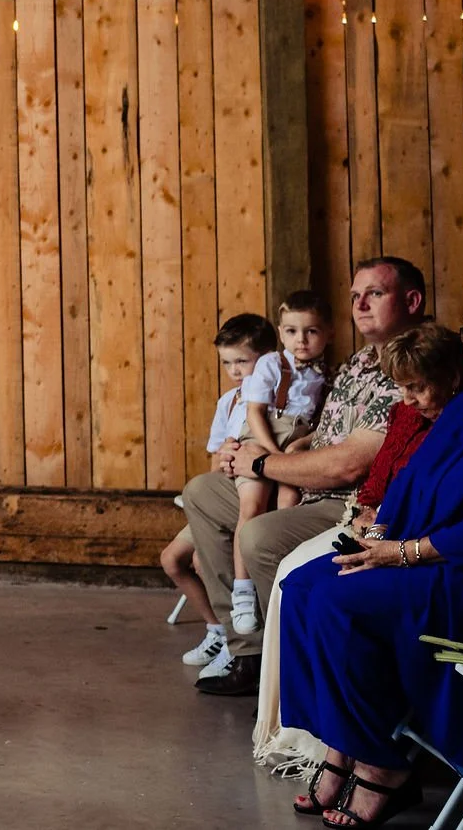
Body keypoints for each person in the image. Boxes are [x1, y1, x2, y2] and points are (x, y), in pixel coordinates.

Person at [279, 285, 463, 828]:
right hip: (418, 553)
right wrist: (369, 535)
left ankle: (383, 765)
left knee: (343, 603)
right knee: (301, 584)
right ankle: (339, 744)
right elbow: (409, 483)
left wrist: (402, 554)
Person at [185, 257, 428, 697]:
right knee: (203, 490)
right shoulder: (357, 363)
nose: (361, 304)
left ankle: (290, 671)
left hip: (352, 501)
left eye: (375, 293)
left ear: (411, 301)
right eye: (355, 296)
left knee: (257, 535)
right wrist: (270, 446)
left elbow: (350, 465)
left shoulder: (413, 363)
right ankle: (247, 650)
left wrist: (260, 463)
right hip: (305, 479)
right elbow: (328, 429)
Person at [259, 320, 463, 779]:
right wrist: (368, 517)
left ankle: (371, 756)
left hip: (419, 546)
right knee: (298, 586)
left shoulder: (462, 420)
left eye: (418, 387)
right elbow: (381, 485)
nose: (408, 399)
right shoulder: (405, 415)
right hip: (377, 526)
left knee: (331, 596)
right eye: (402, 388)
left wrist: (387, 539)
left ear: (451, 378)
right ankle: (327, 740)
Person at [166, 313, 278, 675]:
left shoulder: (275, 399)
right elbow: (217, 456)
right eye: (227, 363)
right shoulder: (228, 401)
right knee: (172, 559)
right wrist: (225, 459)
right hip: (225, 488)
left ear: (267, 358)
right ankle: (216, 628)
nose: (234, 371)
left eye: (242, 361)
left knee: (202, 560)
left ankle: (238, 638)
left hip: (257, 493)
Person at [230, 291, 333, 636]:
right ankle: (242, 592)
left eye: (311, 332)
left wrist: (296, 452)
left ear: (328, 333)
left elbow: (316, 425)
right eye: (291, 332)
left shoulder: (329, 372)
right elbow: (255, 412)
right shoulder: (272, 364)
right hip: (263, 435)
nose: (300, 341)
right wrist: (270, 454)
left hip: (295, 440)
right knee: (252, 504)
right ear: (280, 331)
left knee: (289, 500)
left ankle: (275, 577)